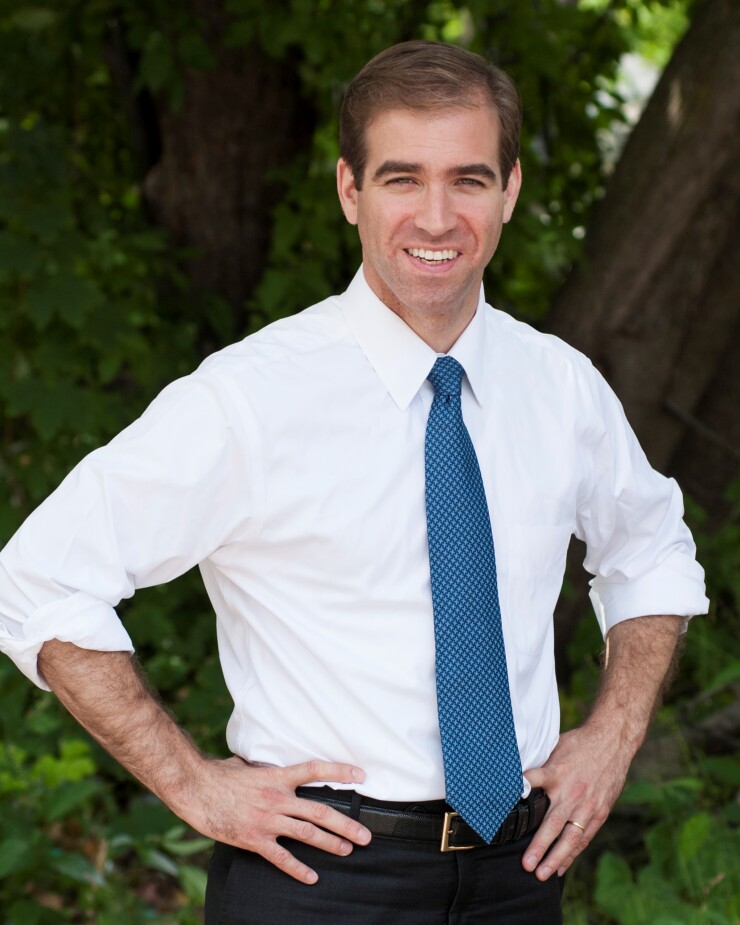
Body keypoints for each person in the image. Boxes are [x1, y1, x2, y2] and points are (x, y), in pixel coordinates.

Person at [0, 40, 708, 924]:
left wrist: (612, 735)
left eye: (470, 179)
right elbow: (38, 579)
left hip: (520, 875)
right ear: (349, 190)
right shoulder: (249, 397)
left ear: (511, 191)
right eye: (402, 179)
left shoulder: (558, 386)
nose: (438, 217)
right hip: (320, 880)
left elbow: (651, 547)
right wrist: (192, 785)